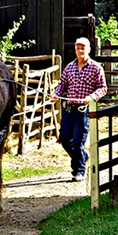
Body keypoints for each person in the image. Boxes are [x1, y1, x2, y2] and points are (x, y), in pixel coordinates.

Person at [50, 37, 107, 182]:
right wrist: (56, 94)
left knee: (77, 142)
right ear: (75, 49)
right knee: (64, 140)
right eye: (78, 48)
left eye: (83, 48)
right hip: (69, 109)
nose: (80, 51)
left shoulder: (96, 68)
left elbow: (103, 88)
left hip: (83, 111)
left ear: (88, 49)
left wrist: (92, 97)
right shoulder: (69, 67)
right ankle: (83, 157)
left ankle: (79, 170)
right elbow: (62, 85)